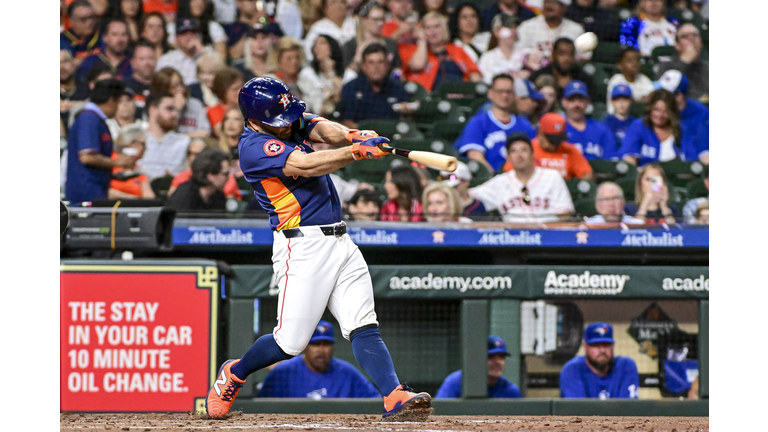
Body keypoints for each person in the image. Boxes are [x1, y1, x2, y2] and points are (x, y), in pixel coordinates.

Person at [204, 76, 433, 421]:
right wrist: (356, 152)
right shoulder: (253, 147)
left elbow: (321, 126)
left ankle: (393, 395)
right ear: (255, 119)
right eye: (277, 121)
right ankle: (234, 373)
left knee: (362, 322)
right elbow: (308, 164)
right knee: (289, 343)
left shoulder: (285, 119)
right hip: (302, 245)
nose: (286, 124)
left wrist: (354, 136)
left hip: (341, 240)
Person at [257, 320, 381, 398]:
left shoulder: (347, 372)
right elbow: (259, 408)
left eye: (326, 344)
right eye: (315, 344)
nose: (321, 350)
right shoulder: (281, 373)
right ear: (305, 346)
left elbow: (374, 400)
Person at [470, 133, 574, 223]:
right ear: (508, 157)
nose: (519, 155)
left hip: (548, 237)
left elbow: (565, 213)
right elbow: (467, 195)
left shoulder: (552, 177)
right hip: (512, 240)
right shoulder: (500, 182)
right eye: (513, 151)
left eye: (524, 150)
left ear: (532, 154)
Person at [66, 79, 139, 205]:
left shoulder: (95, 119)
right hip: (86, 192)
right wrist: (116, 162)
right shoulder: (89, 118)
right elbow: (87, 156)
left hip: (94, 190)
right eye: (118, 103)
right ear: (110, 101)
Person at [454, 74, 536, 173]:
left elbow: (534, 155)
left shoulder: (525, 125)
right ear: (490, 94)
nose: (504, 95)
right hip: (489, 179)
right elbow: (475, 155)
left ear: (514, 95)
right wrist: (495, 177)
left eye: (508, 91)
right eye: (500, 91)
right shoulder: (478, 123)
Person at [618, 89, 704, 166]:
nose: (659, 115)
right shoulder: (639, 126)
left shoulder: (682, 129)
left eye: (665, 111)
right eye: (656, 109)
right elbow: (628, 156)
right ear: (650, 109)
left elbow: (691, 159)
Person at [399, 12, 482, 92]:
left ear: (444, 29)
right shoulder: (413, 50)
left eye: (437, 26)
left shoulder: (456, 49)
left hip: (459, 94)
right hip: (428, 97)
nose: (433, 31)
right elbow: (418, 66)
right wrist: (422, 40)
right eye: (428, 28)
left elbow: (474, 73)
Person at [560, 322, 640, 399]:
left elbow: (629, 409)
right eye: (596, 345)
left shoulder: (626, 366)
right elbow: (579, 410)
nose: (602, 350)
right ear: (585, 347)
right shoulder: (572, 369)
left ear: (613, 346)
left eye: (606, 345)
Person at [338, 44, 409, 128]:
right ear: (363, 66)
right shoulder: (351, 89)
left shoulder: (397, 89)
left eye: (381, 62)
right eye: (371, 62)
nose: (376, 67)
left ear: (387, 65)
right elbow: (347, 122)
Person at [504, 116, 593, 180]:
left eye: (558, 140)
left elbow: (587, 174)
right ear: (540, 134)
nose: (555, 144)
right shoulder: (527, 150)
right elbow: (508, 173)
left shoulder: (569, 149)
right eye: (551, 140)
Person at [436, 336, 522, 398]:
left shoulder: (510, 390)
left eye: (501, 357)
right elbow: (439, 414)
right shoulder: (456, 381)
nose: (497, 362)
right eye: (491, 357)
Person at [653, 69, 709, 162]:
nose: (661, 98)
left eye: (666, 95)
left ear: (679, 96)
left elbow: (705, 153)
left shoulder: (701, 115)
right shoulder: (657, 112)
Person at [138, 92, 192, 180]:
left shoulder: (184, 142)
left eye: (176, 110)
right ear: (153, 110)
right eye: (169, 109)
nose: (175, 114)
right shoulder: (135, 137)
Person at [342, 1, 402, 77]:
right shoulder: (350, 45)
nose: (380, 23)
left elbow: (397, 71)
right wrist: (357, 60)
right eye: (376, 19)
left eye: (382, 19)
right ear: (364, 20)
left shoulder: (390, 44)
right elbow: (346, 77)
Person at [561, 81, 617, 160]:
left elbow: (610, 161)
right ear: (564, 102)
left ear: (587, 102)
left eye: (581, 100)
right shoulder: (558, 129)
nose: (576, 105)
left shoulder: (601, 130)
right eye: (572, 100)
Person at [528, 37, 596, 102]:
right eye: (562, 54)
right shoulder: (538, 76)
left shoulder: (583, 78)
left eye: (570, 54)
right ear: (553, 54)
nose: (567, 58)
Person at [151, 67, 212, 138]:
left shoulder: (195, 104)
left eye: (180, 83)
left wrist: (182, 139)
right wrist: (176, 109)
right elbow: (162, 135)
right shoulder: (157, 107)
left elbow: (205, 132)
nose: (180, 89)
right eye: (173, 87)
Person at [515, 0, 584, 61]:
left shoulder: (576, 29)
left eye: (554, 3)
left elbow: (583, 56)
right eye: (546, 2)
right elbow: (517, 53)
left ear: (564, 7)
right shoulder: (527, 26)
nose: (549, 6)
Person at [166, 147, 231, 212]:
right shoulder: (184, 196)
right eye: (226, 174)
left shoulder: (218, 197)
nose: (228, 178)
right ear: (210, 175)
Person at [655, 23, 708, 102]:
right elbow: (664, 93)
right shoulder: (667, 66)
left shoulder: (708, 66)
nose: (691, 39)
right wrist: (684, 62)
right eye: (685, 37)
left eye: (695, 35)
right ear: (677, 45)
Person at [298, 34, 345, 116]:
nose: (317, 47)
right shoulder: (308, 74)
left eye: (322, 43)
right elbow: (320, 108)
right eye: (315, 44)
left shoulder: (348, 74)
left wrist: (331, 74)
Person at [109, 123, 156, 199]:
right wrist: (131, 199)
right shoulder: (110, 162)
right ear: (131, 144)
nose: (145, 149)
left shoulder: (138, 172)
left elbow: (149, 197)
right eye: (143, 144)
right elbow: (104, 191)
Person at [76, 19, 132, 83]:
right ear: (104, 38)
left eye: (124, 34)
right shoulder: (90, 62)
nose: (120, 39)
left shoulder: (133, 62)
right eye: (114, 34)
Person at [156, 18, 205, 85]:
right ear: (176, 38)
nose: (189, 37)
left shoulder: (206, 54)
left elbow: (219, 75)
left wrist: (202, 53)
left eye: (192, 33)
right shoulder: (166, 60)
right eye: (184, 34)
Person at [477, 14, 524, 85]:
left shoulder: (525, 54)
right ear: (497, 32)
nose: (513, 31)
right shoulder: (488, 58)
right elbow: (486, 81)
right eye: (509, 27)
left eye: (515, 27)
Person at [606, 47, 654, 115]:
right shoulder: (616, 80)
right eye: (630, 61)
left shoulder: (643, 78)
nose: (635, 64)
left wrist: (635, 102)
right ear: (620, 65)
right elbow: (622, 105)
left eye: (637, 60)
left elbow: (653, 96)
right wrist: (641, 101)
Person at [61, 0, 104, 65]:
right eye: (83, 19)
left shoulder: (103, 35)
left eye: (92, 17)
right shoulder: (62, 40)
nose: (90, 22)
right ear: (71, 21)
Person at [124, 40, 159, 114]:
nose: (147, 63)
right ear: (133, 62)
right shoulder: (123, 86)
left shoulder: (162, 86)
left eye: (151, 58)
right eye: (142, 59)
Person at [207, 67, 245, 134]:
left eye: (242, 87)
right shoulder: (213, 112)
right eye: (235, 89)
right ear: (222, 91)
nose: (240, 91)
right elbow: (223, 135)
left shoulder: (250, 108)